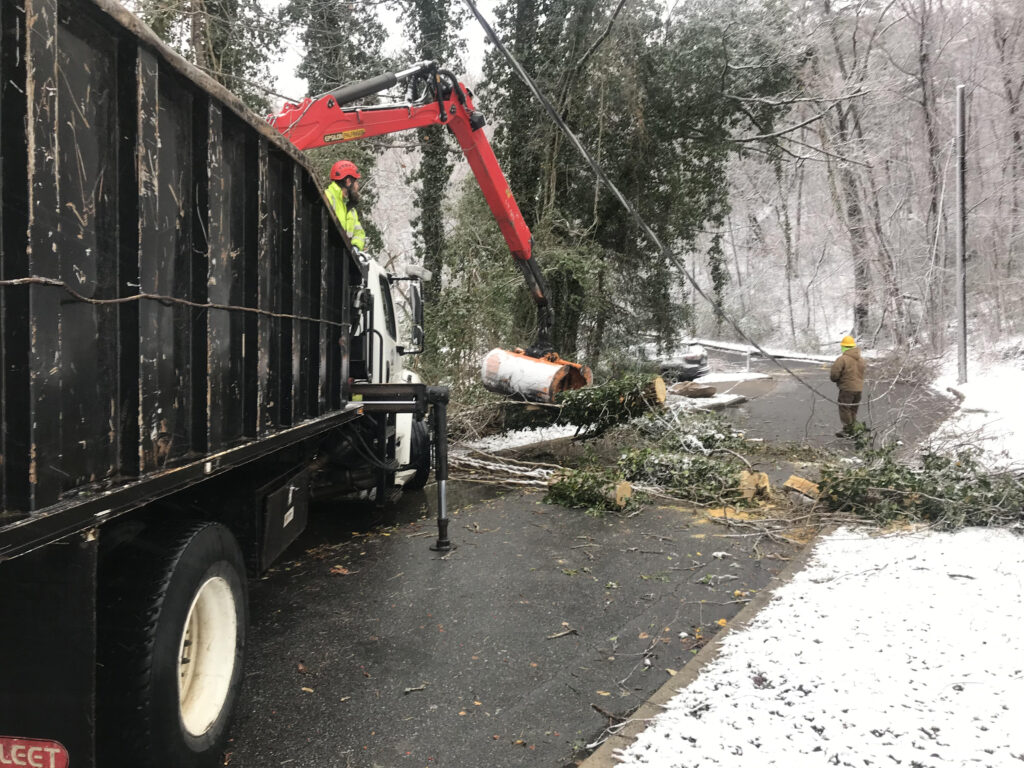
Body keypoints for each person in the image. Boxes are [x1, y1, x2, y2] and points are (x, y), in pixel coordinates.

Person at [325, 160, 366, 252]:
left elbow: (359, 233)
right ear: (348, 181)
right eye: (356, 182)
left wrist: (355, 246)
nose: (357, 186)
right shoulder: (327, 198)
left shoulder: (350, 209)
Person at [830, 335, 866, 437]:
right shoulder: (861, 360)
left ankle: (848, 430)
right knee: (853, 409)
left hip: (847, 389)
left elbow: (834, 374)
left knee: (844, 409)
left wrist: (836, 380)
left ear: (844, 347)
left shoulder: (842, 359)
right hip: (859, 389)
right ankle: (853, 428)